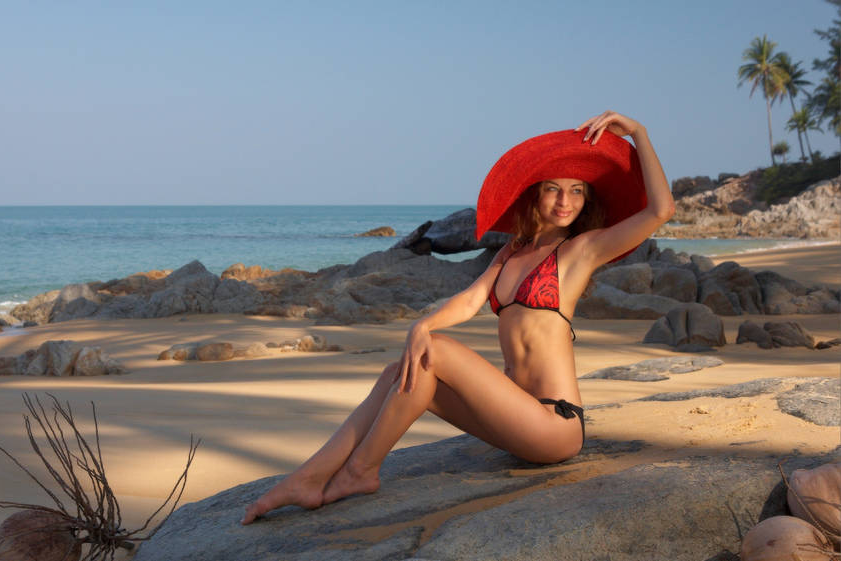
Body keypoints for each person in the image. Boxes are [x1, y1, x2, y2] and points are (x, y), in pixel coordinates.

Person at [242, 110, 674, 525]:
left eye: (577, 190)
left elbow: (660, 211)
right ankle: (309, 477)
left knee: (436, 350)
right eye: (554, 189)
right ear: (534, 193)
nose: (565, 201)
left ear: (587, 199)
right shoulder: (510, 253)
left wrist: (639, 132)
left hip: (554, 425)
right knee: (403, 372)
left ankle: (360, 471)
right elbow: (469, 302)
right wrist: (421, 325)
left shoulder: (582, 251)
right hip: (513, 419)